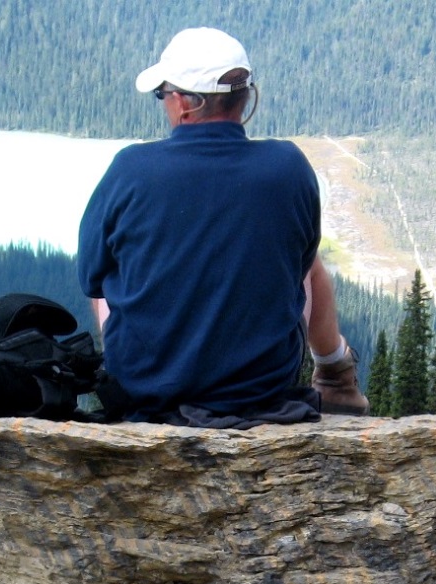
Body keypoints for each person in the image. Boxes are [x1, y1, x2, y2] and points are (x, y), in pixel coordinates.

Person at [77, 27, 368, 425]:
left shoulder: (131, 169)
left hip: (145, 388)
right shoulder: (288, 167)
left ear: (182, 102)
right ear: (245, 98)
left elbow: (92, 278)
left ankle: (148, 374)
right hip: (260, 388)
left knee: (112, 267)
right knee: (307, 259)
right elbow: (296, 267)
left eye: (162, 94)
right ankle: (336, 374)